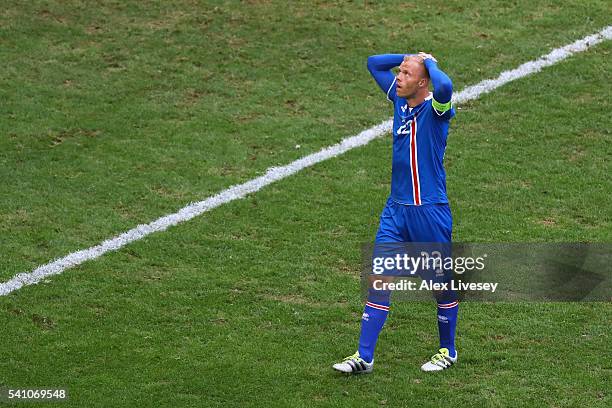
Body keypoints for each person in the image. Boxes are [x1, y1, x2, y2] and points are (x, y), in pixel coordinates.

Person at [333, 52, 459, 373]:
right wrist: (407, 56)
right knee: (379, 278)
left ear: (422, 82)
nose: (398, 76)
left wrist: (428, 64)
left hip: (428, 212)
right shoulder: (400, 103)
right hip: (396, 211)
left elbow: (445, 84)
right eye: (399, 72)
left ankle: (448, 350)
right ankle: (364, 356)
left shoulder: (436, 109)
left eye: (405, 73)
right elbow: (373, 63)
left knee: (439, 283)